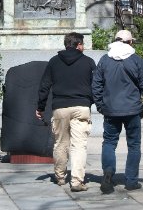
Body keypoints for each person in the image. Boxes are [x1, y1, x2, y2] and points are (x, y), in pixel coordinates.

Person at [92, 29, 143, 194]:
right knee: (134, 145)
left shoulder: (105, 60)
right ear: (130, 42)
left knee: (109, 143)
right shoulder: (136, 60)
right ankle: (131, 181)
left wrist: (100, 105)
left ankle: (108, 175)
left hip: (111, 110)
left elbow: (96, 85)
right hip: (132, 109)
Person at [36, 32, 96, 192]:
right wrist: (95, 102)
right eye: (82, 44)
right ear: (78, 45)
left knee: (60, 143)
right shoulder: (88, 62)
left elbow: (44, 86)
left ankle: (60, 176)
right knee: (79, 145)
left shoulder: (54, 62)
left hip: (60, 107)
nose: (84, 48)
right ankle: (77, 181)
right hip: (81, 107)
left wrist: (40, 107)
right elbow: (96, 85)